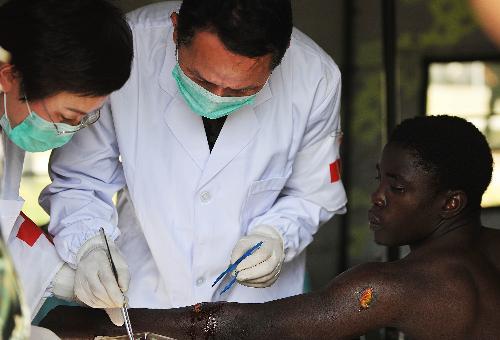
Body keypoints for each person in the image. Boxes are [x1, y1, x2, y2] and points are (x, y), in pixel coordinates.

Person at [39, 115, 500, 339]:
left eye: (397, 187)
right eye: (380, 178)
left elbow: (227, 326)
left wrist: (86, 322)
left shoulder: (393, 287)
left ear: (451, 202)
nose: (377, 195)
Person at [39, 0, 347, 327]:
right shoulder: (125, 48)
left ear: (280, 57)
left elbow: (313, 193)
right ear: (176, 29)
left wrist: (277, 234)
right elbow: (80, 180)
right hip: (143, 295)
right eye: (201, 80)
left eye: (243, 90)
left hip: (258, 312)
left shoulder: (316, 78)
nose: (218, 97)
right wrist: (90, 245)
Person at [0, 0, 133, 338]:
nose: (71, 130)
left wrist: (63, 275)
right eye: (66, 116)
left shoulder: (9, 112)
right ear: (8, 75)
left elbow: (4, 224)